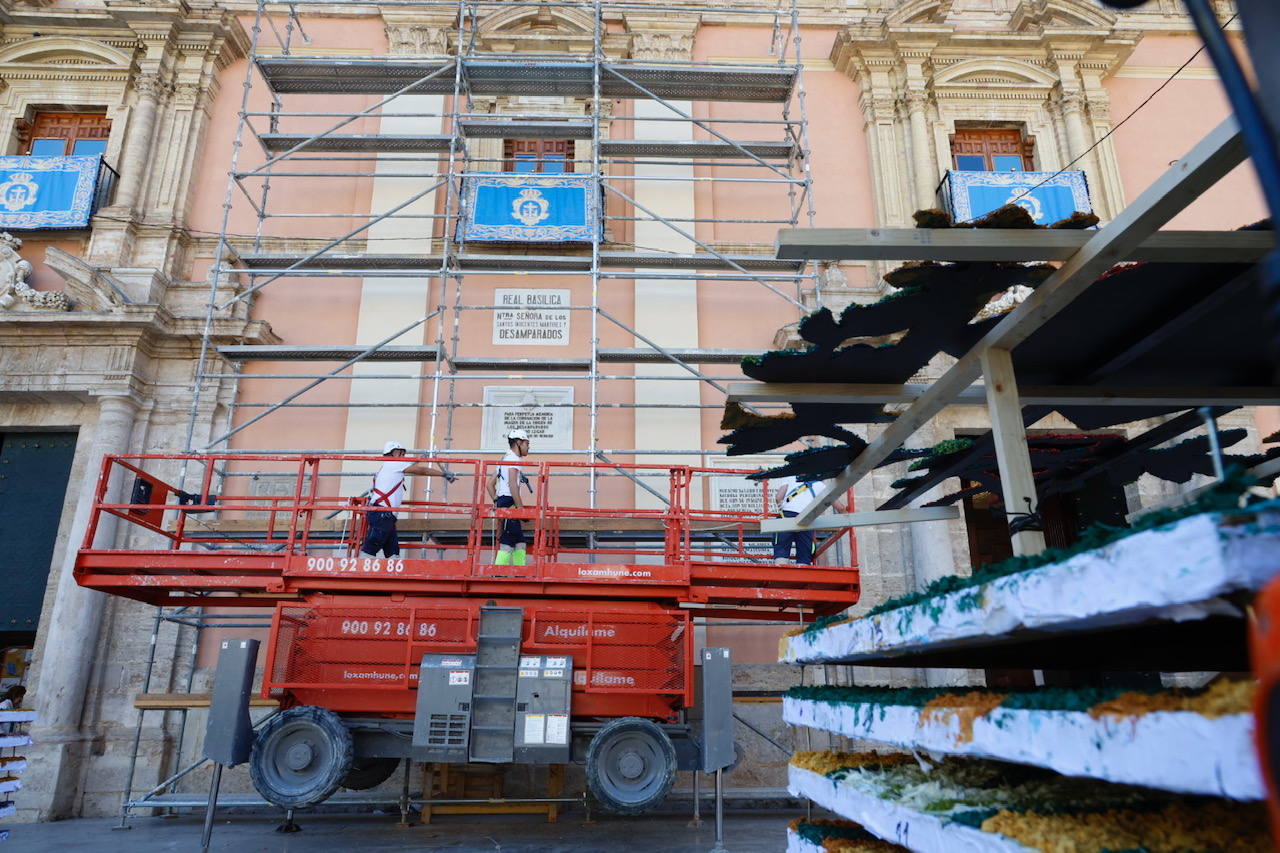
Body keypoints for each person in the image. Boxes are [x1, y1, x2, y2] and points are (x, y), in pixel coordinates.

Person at [360, 441, 454, 560]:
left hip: (385, 514)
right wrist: (443, 474)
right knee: (372, 545)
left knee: (392, 550)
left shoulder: (386, 467)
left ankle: (392, 571)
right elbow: (422, 471)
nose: (402, 457)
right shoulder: (393, 464)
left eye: (403, 454)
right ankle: (360, 566)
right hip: (382, 513)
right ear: (391, 454)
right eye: (400, 453)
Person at [771, 475, 845, 566]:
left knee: (781, 550)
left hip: (786, 516)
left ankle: (780, 571)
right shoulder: (819, 485)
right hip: (806, 518)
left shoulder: (791, 478)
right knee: (804, 553)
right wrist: (847, 516)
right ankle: (802, 572)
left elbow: (778, 497)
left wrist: (781, 507)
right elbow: (839, 507)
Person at [489, 429, 532, 566]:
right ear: (518, 442)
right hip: (510, 500)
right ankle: (499, 572)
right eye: (526, 443)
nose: (528, 447)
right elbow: (513, 485)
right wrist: (520, 508)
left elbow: (489, 485)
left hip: (504, 500)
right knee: (508, 539)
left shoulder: (505, 458)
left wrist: (497, 501)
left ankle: (520, 571)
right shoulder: (514, 459)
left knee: (518, 540)